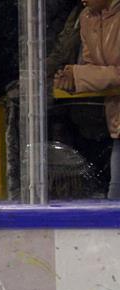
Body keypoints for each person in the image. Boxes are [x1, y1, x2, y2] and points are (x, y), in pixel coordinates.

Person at [54, 0, 120, 199]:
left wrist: (78, 75)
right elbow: (91, 67)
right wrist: (72, 78)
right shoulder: (87, 17)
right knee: (114, 201)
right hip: (117, 122)